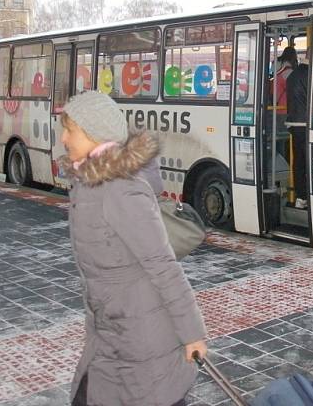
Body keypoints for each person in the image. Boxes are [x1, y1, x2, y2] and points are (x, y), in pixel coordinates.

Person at [59, 91, 208, 406]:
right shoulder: (91, 180)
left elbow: (163, 266)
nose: (63, 138)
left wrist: (192, 334)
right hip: (114, 333)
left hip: (142, 338)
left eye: (69, 130)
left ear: (92, 132)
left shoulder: (120, 189)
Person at [286, 61, 309, 208]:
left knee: (298, 162)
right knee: (309, 162)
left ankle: (300, 197)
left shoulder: (291, 76)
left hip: (295, 125)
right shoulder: (312, 76)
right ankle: (310, 194)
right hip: (308, 125)